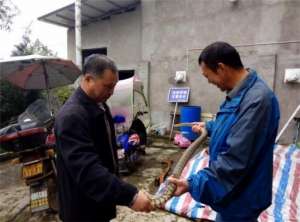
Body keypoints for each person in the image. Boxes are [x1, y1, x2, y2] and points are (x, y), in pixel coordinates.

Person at [168, 42, 280, 222]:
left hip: (243, 195)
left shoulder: (258, 101)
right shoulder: (240, 93)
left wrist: (192, 184)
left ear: (220, 68)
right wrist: (209, 127)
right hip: (232, 193)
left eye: (208, 76)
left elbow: (233, 161)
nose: (209, 82)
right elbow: (231, 124)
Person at [54, 54, 153, 222]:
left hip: (98, 203)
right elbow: (88, 170)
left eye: (114, 86)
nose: (112, 92)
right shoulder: (72, 116)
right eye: (108, 86)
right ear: (88, 79)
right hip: (82, 210)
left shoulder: (100, 105)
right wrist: (131, 196)